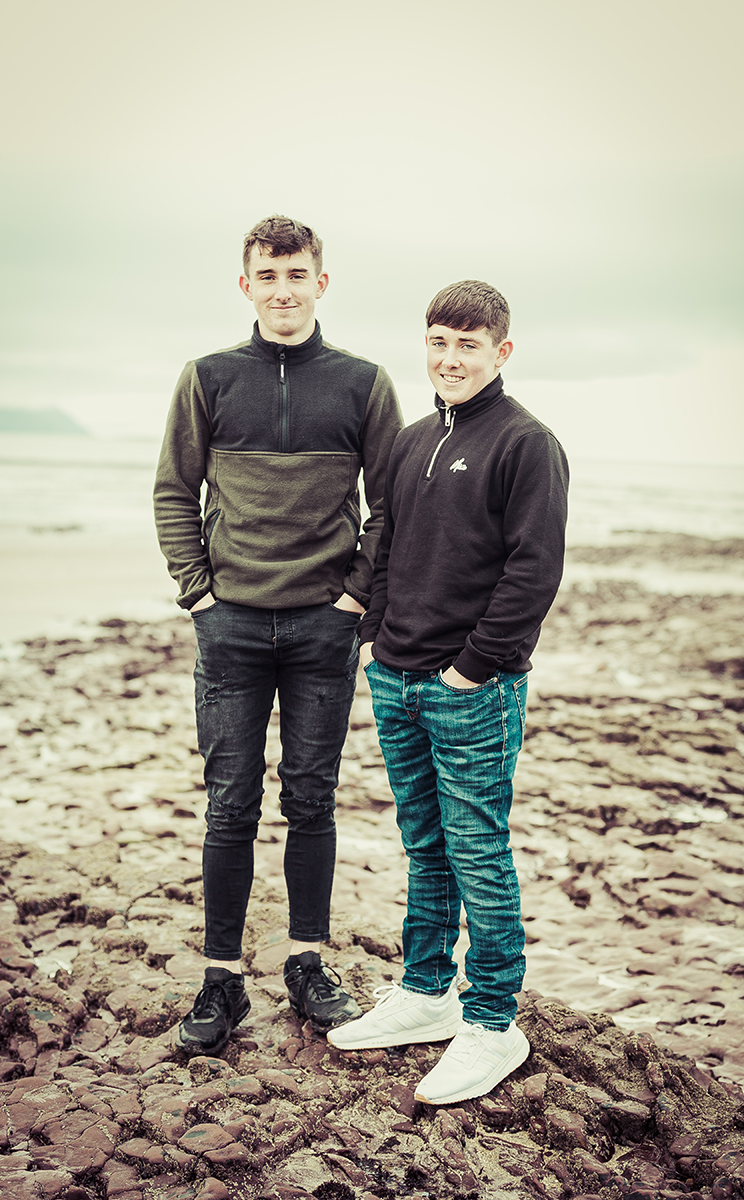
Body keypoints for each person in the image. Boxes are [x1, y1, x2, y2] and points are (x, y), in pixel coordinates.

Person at [153, 215, 403, 1055]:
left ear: (320, 283)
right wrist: (198, 593)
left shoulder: (364, 384)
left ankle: (306, 963)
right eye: (269, 275)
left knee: (312, 800)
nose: (283, 290)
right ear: (246, 284)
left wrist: (353, 599)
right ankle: (221, 979)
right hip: (228, 628)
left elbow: (391, 504)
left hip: (320, 630)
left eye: (298, 275)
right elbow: (172, 491)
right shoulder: (209, 377)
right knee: (229, 804)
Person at [328, 280, 568, 1105]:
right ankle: (426, 993)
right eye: (438, 342)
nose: (450, 358)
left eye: (468, 345)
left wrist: (473, 666)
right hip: (397, 676)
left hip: (472, 688)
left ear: (500, 352)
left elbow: (533, 572)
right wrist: (373, 641)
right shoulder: (412, 436)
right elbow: (385, 536)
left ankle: (493, 1024)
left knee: (478, 850)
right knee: (425, 845)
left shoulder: (527, 443)